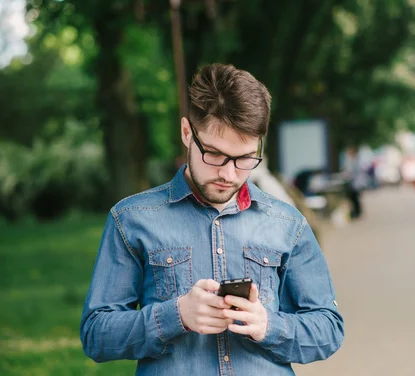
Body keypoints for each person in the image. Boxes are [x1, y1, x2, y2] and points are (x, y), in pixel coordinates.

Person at [80, 64, 344, 375]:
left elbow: (329, 328)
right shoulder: (131, 220)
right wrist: (176, 316)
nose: (229, 174)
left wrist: (269, 325)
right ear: (186, 133)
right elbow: (96, 335)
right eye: (215, 155)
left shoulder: (288, 223)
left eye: (245, 158)